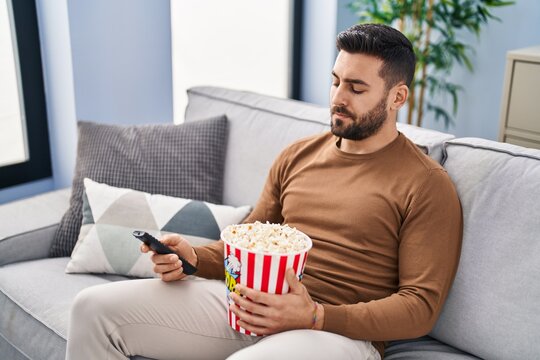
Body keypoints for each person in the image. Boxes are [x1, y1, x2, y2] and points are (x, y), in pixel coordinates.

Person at [65, 23, 462, 360]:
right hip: (253, 302)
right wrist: (192, 257)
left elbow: (420, 307)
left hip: (337, 334)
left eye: (357, 88)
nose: (338, 98)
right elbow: (246, 245)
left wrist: (315, 315)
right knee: (92, 309)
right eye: (336, 81)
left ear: (397, 97)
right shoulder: (298, 155)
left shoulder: (425, 184)